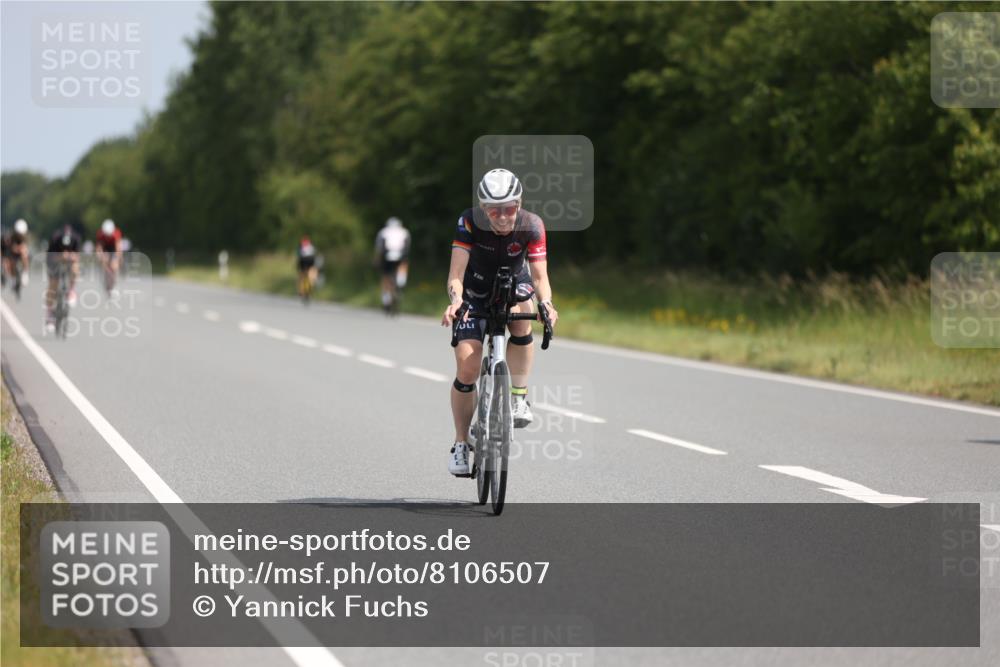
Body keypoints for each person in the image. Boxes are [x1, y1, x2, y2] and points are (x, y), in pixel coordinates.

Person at [440, 169, 559, 476]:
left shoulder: (532, 224)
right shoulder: (469, 221)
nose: (503, 217)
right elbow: (456, 274)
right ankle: (461, 443)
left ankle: (518, 397)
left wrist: (546, 303)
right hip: (475, 291)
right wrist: (456, 300)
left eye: (510, 208)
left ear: (519, 204)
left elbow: (540, 277)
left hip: (514, 284)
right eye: (494, 211)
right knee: (468, 367)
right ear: (483, 208)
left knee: (522, 317)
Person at [46, 224, 82, 332]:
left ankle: (71, 291)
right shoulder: (55, 238)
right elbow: (50, 256)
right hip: (54, 261)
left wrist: (70, 256)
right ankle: (50, 314)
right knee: (52, 286)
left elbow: (77, 256)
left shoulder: (76, 238)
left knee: (75, 268)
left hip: (69, 261)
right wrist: (60, 256)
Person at [374, 217, 411, 314]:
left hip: (387, 256)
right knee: (403, 265)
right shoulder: (404, 232)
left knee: (385, 277)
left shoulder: (383, 232)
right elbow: (407, 247)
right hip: (401, 256)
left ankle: (386, 299)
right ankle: (401, 282)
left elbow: (379, 248)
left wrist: (377, 260)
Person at [95, 219, 123, 295]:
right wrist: (100, 256)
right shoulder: (100, 234)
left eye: (109, 235)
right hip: (105, 248)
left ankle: (113, 283)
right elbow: (99, 247)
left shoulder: (116, 233)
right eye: (106, 235)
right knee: (104, 262)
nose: (107, 236)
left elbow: (118, 248)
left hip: (113, 248)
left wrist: (118, 258)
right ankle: (106, 278)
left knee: (114, 266)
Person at [2, 219, 30, 290]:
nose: (20, 236)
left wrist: (20, 249)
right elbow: (11, 248)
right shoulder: (11, 237)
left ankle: (25, 273)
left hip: (20, 253)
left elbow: (25, 248)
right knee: (10, 263)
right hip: (12, 254)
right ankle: (13, 279)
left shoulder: (25, 237)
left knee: (24, 255)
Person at [296, 235, 318, 302]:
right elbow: (314, 256)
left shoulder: (301, 246)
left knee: (301, 275)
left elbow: (299, 256)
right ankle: (309, 288)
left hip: (303, 261)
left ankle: (301, 291)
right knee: (311, 275)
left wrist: (298, 267)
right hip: (311, 261)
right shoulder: (311, 246)